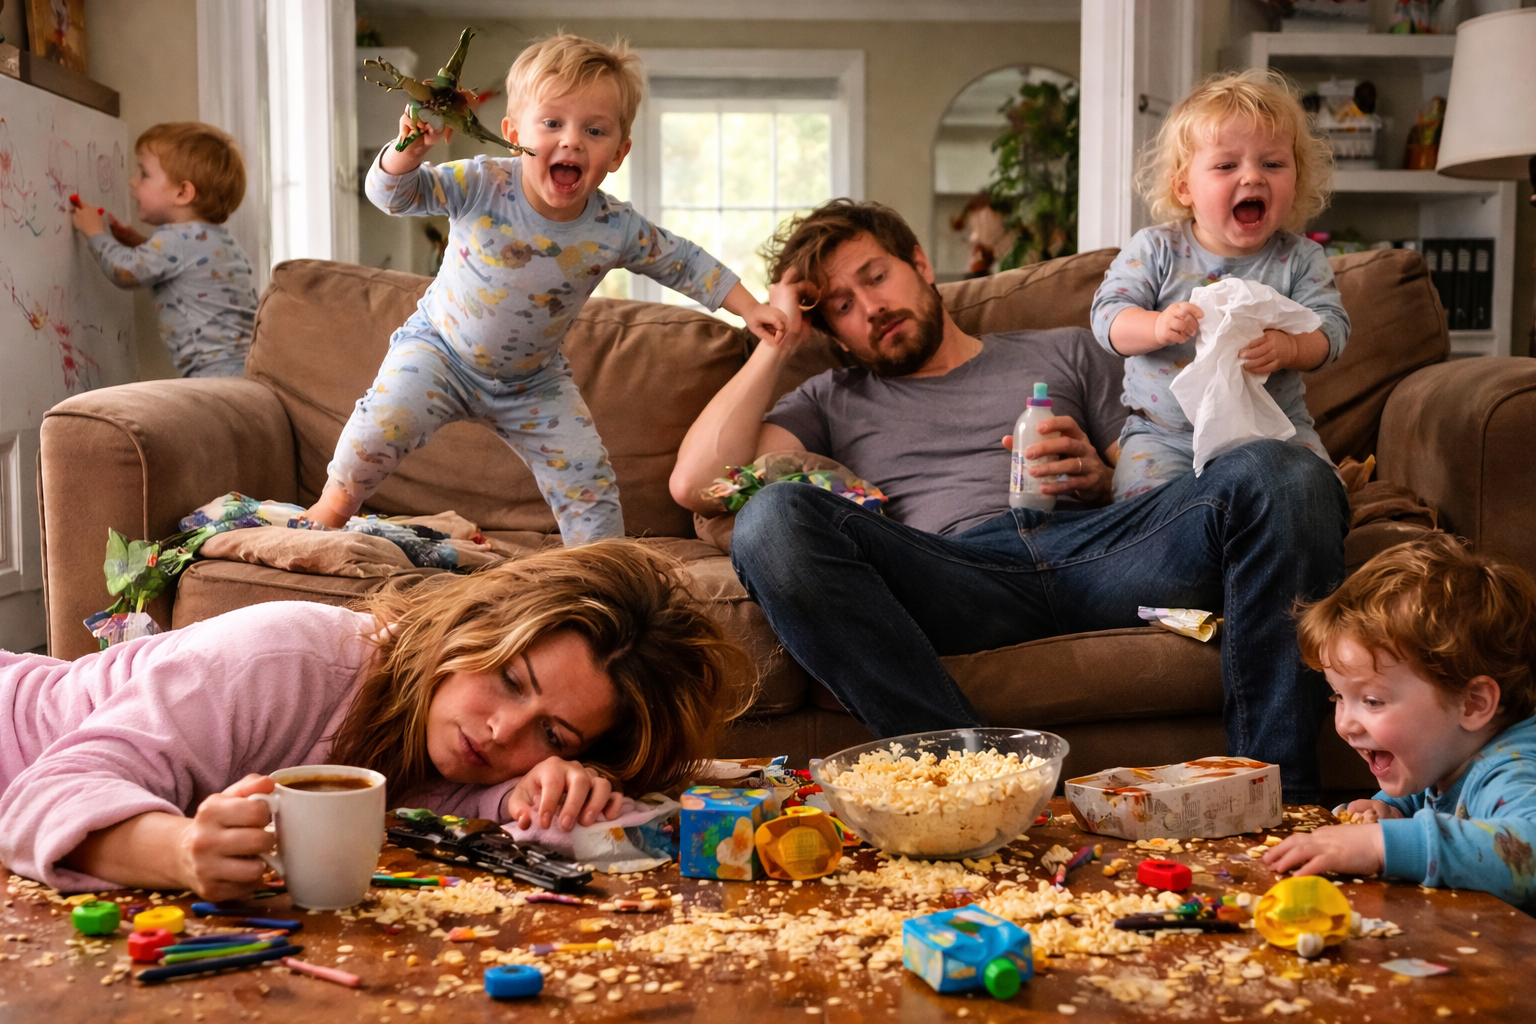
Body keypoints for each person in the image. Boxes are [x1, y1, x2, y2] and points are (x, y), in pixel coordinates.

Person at [669, 199, 1348, 800]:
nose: (870, 308)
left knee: (1283, 473)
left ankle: (1275, 804)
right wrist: (777, 339)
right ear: (833, 333)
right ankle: (973, 781)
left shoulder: (1065, 350)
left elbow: (1159, 466)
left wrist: (1097, 474)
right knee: (772, 519)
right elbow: (696, 483)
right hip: (955, 576)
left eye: (875, 277)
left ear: (920, 263)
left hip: (1105, 551)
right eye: (842, 305)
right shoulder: (830, 399)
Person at [0, 542, 747, 900]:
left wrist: (560, 791)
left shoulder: (452, 755)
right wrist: (181, 851)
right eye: (509, 679)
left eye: (552, 734)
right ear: (474, 625)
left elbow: (533, 823)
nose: (500, 735)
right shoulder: (284, 658)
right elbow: (43, 790)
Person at [308, 35, 785, 544]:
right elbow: (392, 195)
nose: (572, 140)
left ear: (619, 153)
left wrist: (750, 307)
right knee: (379, 427)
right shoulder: (481, 182)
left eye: (594, 129)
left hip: (533, 383)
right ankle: (330, 510)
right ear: (514, 134)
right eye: (552, 123)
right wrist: (408, 152)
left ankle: (600, 571)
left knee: (588, 479)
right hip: (439, 350)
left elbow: (683, 261)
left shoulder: (614, 227)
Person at [1090, 69, 1348, 502]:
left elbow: (1332, 329)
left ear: (1297, 178)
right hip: (1165, 435)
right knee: (1144, 516)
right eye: (1227, 165)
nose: (1252, 177)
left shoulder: (1299, 257)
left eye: (1272, 163)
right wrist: (1155, 326)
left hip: (1274, 431)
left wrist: (1289, 347)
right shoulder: (1156, 249)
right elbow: (1107, 316)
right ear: (1184, 186)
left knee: (1318, 496)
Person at [1264, 535, 1536, 909]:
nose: (1345, 724)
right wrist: (1388, 812)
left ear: (1472, 704)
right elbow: (1427, 801)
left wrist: (1380, 845)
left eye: (1372, 701)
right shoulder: (1443, 755)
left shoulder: (1513, 773)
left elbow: (1529, 850)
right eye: (1339, 697)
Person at [70, 122, 259, 378]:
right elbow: (180, 267)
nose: (132, 181)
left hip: (214, 376)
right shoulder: (219, 241)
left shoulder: (175, 239)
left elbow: (124, 271)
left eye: (144, 174)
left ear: (183, 192)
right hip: (244, 372)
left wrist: (94, 232)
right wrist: (140, 243)